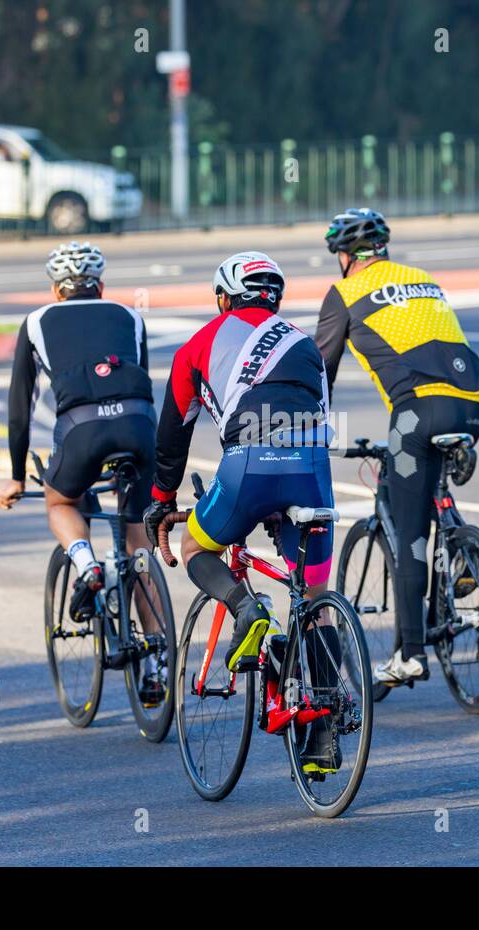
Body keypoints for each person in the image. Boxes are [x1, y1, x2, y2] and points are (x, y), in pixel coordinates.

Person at [143, 252, 341, 773]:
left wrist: (163, 502)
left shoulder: (197, 345)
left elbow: (171, 438)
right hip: (312, 466)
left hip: (248, 464)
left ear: (225, 297)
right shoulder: (305, 345)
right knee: (316, 598)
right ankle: (323, 735)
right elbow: (318, 410)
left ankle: (246, 608)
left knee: (194, 545)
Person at [314, 207, 479, 687]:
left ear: (346, 257)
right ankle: (460, 556)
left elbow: (319, 374)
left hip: (416, 412)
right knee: (430, 488)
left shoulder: (346, 293)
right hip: (472, 405)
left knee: (409, 532)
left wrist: (309, 431)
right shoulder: (423, 279)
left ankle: (410, 653)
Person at [0, 241, 157, 626]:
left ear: (56, 290)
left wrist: (17, 477)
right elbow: (142, 386)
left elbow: (21, 410)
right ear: (100, 285)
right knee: (137, 536)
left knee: (61, 502)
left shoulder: (38, 321)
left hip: (81, 430)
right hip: (139, 425)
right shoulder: (130, 317)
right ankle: (157, 663)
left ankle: (87, 566)